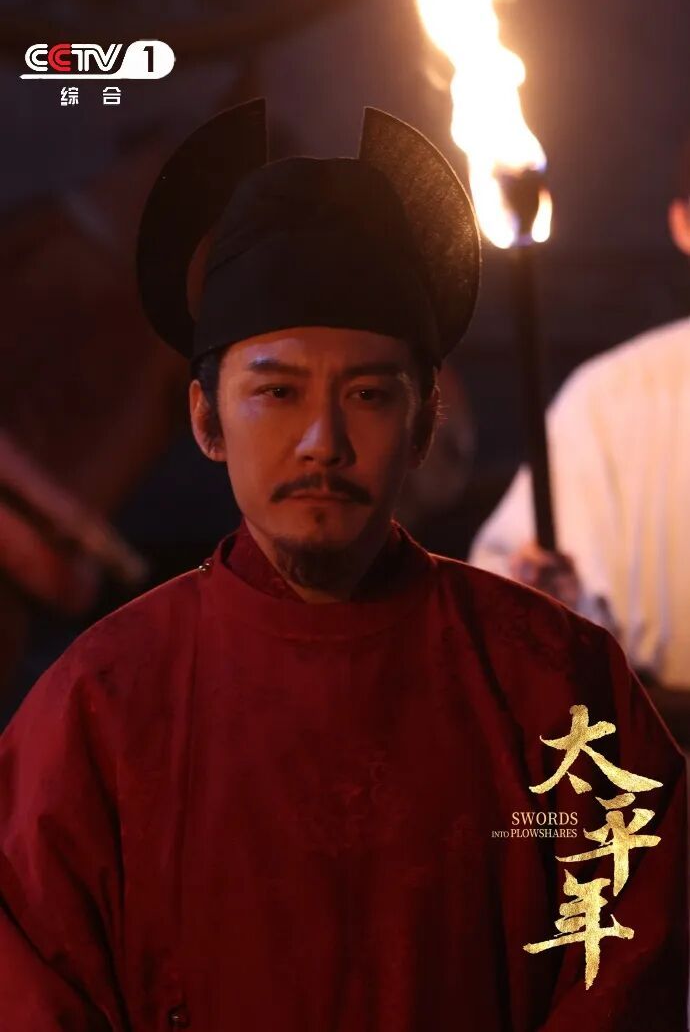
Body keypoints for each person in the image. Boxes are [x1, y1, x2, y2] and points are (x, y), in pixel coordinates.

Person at [0, 99, 686, 1031]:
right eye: (277, 392)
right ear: (205, 417)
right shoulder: (99, 707)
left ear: (426, 419)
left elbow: (630, 959)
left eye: (368, 394)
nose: (321, 440)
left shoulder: (555, 683)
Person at [470, 140, 690, 707]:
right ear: (683, 224)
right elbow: (503, 590)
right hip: (660, 740)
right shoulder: (613, 398)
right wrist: (542, 602)